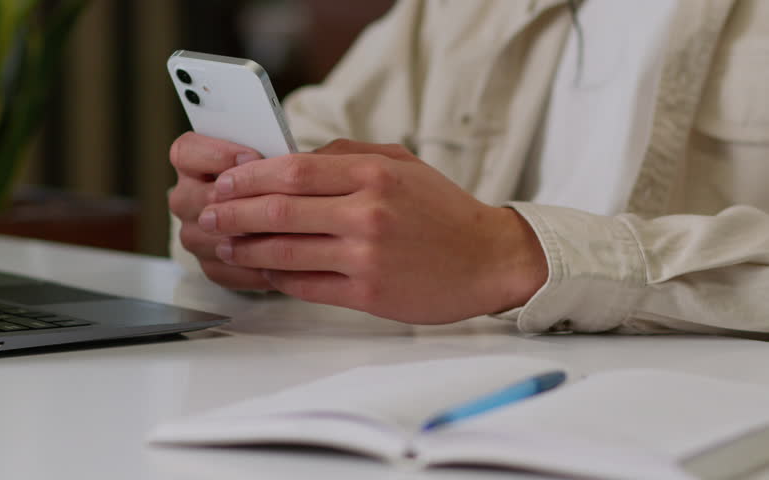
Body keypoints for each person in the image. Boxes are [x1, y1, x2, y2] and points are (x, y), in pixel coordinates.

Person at [168, 0, 769, 335]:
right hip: (441, 409)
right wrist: (244, 221)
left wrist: (514, 256)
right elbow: (313, 140)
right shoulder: (452, 12)